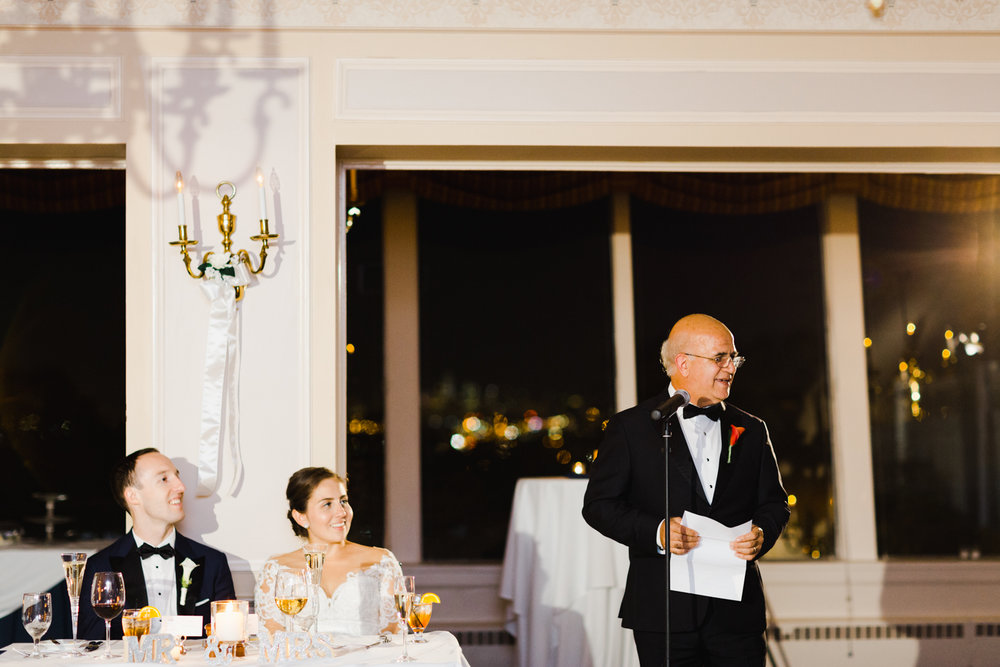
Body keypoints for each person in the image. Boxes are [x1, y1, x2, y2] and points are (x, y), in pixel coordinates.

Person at [582, 314, 789, 666]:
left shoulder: (751, 429)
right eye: (720, 358)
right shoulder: (631, 428)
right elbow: (599, 505)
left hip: (736, 615)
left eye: (734, 358)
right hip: (663, 612)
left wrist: (761, 533)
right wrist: (658, 531)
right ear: (683, 363)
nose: (730, 367)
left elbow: (775, 503)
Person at [78, 448, 236, 640]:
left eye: (177, 476)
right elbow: (93, 645)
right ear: (133, 496)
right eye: (164, 479)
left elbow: (228, 640)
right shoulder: (100, 567)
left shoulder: (214, 562)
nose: (181, 487)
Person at [254, 467, 403, 636]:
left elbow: (393, 635)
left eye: (343, 501)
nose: (341, 512)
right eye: (327, 504)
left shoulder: (381, 560)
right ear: (301, 517)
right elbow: (272, 639)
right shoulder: (276, 569)